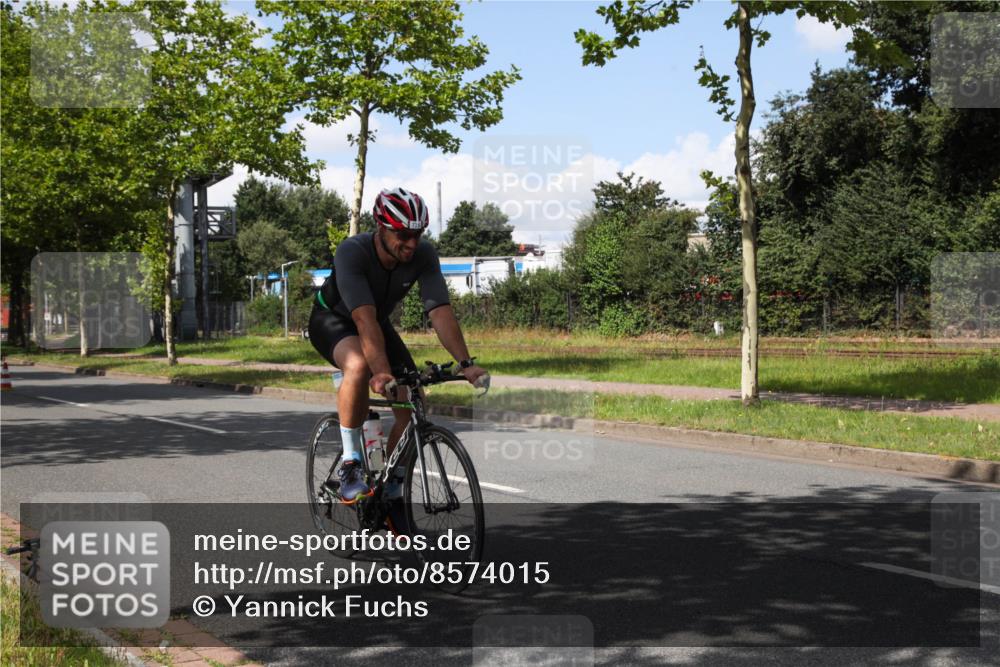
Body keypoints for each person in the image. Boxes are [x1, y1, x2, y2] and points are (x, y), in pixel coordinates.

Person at [308, 187, 489, 502]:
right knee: (359, 366)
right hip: (333, 320)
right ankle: (350, 465)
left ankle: (391, 490)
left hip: (376, 323)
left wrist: (465, 363)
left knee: (413, 400)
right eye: (403, 234)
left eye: (418, 234)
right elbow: (363, 319)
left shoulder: (423, 255)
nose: (412, 243)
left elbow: (440, 311)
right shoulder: (353, 251)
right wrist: (381, 372)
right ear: (381, 226)